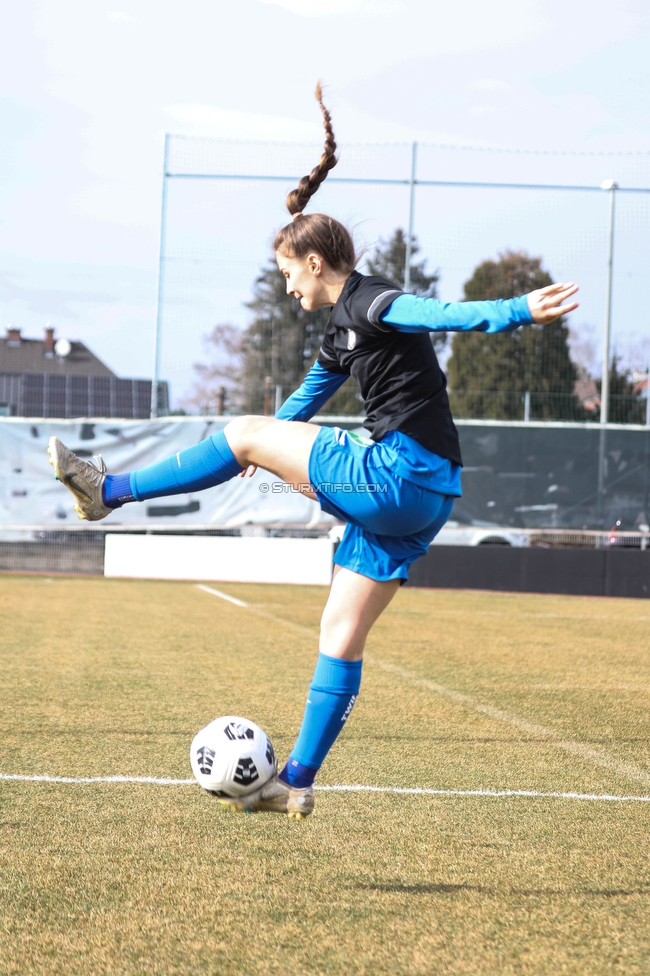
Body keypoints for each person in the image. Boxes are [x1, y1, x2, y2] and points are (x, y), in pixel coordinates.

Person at [48, 84, 578, 820]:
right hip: (425, 498)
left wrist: (518, 309)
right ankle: (294, 780)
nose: (287, 285)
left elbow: (446, 314)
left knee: (241, 434)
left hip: (403, 474)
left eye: (289, 273)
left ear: (317, 261)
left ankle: (107, 492)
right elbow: (290, 414)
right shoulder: (337, 335)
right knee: (339, 631)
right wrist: (270, 451)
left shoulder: (372, 302)